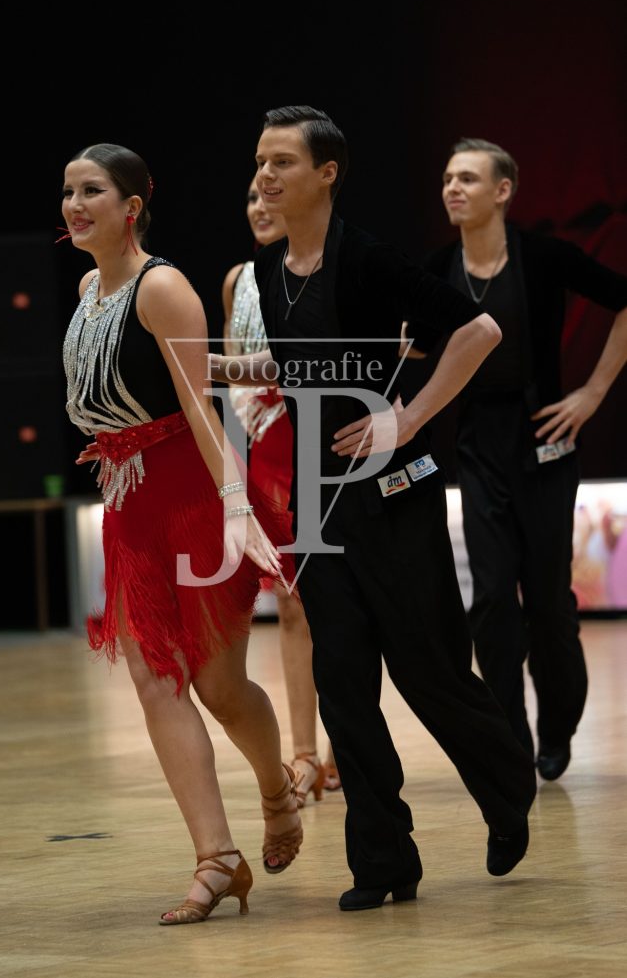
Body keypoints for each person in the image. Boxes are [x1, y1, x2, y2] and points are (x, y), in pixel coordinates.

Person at [210, 107, 537, 911]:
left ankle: (506, 789)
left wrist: (409, 416)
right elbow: (294, 365)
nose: (263, 176)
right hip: (318, 501)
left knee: (426, 669)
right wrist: (214, 366)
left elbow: (479, 330)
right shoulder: (265, 270)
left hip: (394, 492)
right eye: (259, 161)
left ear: (326, 173)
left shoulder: (368, 258)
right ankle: (384, 859)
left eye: (281, 161)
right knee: (343, 682)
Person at [60, 143, 304, 926]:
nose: (74, 205)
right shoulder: (87, 289)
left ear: (131, 206)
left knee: (218, 686)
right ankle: (216, 857)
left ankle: (276, 791)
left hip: (194, 494)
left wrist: (236, 506)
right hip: (129, 501)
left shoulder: (162, 286)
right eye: (67, 192)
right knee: (153, 678)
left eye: (90, 190)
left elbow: (200, 406)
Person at [405, 138, 627, 778]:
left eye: (468, 178)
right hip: (478, 446)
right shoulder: (437, 268)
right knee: (493, 599)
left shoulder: (545, 256)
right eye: (448, 178)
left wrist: (592, 393)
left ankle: (558, 727)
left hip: (545, 442)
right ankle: (509, 739)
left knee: (550, 603)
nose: (452, 188)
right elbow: (419, 347)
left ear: (502, 191)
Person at [222, 176, 340, 804]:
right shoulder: (237, 279)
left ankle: (345, 742)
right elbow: (230, 374)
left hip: (318, 437)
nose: (258, 206)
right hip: (261, 448)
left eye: (268, 194)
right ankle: (303, 753)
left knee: (339, 600)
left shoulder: (329, 268)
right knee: (291, 602)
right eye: (250, 197)